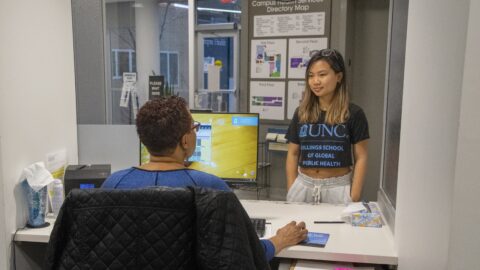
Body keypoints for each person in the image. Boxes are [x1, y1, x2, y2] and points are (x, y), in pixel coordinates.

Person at [102, 96, 308, 262]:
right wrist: (279, 240)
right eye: (194, 127)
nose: (195, 132)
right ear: (185, 140)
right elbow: (247, 255)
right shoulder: (211, 189)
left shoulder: (113, 184)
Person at [285, 49, 369, 204]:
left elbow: (361, 157)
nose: (315, 81)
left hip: (338, 188)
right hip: (303, 185)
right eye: (311, 75)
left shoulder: (354, 113)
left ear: (338, 77)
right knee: (300, 228)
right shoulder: (301, 113)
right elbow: (293, 154)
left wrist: (354, 195)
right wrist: (292, 188)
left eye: (322, 75)